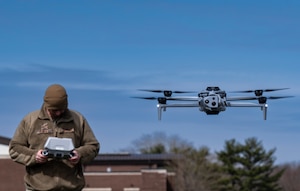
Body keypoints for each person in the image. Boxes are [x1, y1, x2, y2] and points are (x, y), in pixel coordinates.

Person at [9, 84, 100, 191]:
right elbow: (14, 148)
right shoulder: (30, 120)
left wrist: (79, 154)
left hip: (70, 187)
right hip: (37, 187)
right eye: (54, 110)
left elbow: (93, 146)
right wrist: (35, 156)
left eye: (61, 109)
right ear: (46, 105)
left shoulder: (78, 120)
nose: (58, 112)